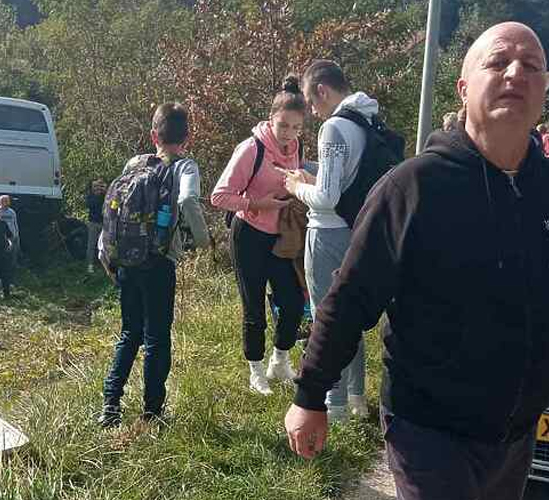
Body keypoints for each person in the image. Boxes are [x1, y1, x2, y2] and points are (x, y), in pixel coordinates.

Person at [285, 22, 549, 500]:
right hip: (430, 430)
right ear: (463, 86)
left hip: (516, 432)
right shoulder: (413, 187)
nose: (516, 72)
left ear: (545, 91)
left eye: (532, 66)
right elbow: (351, 295)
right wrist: (311, 395)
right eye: (498, 62)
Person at [98, 102, 210, 427]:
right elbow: (188, 200)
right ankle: (152, 413)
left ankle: (110, 406)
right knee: (157, 337)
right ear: (186, 138)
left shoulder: (135, 163)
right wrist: (204, 241)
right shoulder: (185, 166)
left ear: (153, 135)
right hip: (159, 262)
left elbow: (114, 209)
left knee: (129, 332)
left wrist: (107, 254)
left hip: (126, 261)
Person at [281, 60, 371, 420]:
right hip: (354, 228)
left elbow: (327, 198)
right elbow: (348, 179)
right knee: (351, 312)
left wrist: (296, 186)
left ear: (322, 90)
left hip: (327, 232)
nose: (313, 111)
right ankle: (357, 397)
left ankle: (332, 407)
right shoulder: (363, 119)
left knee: (326, 319)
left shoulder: (334, 127)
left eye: (310, 101)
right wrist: (316, 172)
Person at [211, 74, 306, 396]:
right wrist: (257, 203)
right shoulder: (252, 148)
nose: (289, 135)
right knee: (254, 308)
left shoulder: (296, 146)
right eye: (283, 126)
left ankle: (279, 360)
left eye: (296, 127)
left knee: (292, 302)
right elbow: (219, 196)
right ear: (271, 120)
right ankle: (255, 370)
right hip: (248, 234)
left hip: (281, 236)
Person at [85, 178, 107, 274]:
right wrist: (98, 195)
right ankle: (90, 265)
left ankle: (105, 266)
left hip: (104, 223)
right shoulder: (90, 197)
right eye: (94, 186)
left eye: (98, 186)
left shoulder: (105, 195)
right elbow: (90, 205)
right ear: (91, 187)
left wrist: (105, 191)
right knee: (91, 244)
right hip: (93, 223)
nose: (96, 188)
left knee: (105, 245)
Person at [0, 195, 20, 268]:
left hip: (12, 236)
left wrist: (16, 234)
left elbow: (15, 223)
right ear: (0, 202)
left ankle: (13, 266)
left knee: (13, 252)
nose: (5, 203)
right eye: (4, 201)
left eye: (7, 201)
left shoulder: (12, 212)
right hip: (1, 236)